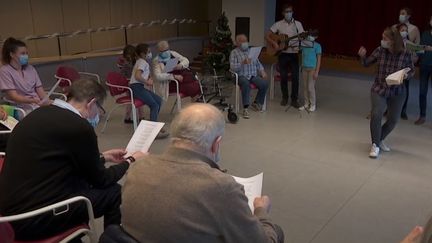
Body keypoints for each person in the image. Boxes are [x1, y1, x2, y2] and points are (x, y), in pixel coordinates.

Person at [0, 79, 145, 241]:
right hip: (35, 220)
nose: (98, 114)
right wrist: (131, 160)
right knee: (114, 193)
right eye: (99, 108)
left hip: (10, 214)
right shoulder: (79, 127)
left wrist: (102, 157)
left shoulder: (38, 114)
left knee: (82, 181)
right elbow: (102, 180)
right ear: (92, 103)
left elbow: (58, 159)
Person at [121, 103, 285, 243]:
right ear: (216, 144)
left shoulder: (137, 168)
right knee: (275, 231)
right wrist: (261, 211)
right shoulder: (221, 187)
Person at [358, 27, 414, 159]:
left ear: (393, 41)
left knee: (393, 120)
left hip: (398, 91)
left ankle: (379, 139)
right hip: (379, 88)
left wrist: (405, 76)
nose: (382, 41)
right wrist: (362, 56)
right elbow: (366, 63)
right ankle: (375, 145)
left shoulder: (406, 53)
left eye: (385, 39)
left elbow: (411, 71)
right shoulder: (379, 50)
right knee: (376, 113)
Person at [266, 3, 304, 108]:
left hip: (294, 54)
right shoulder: (278, 24)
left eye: (290, 11)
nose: (289, 13)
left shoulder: (298, 24)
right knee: (283, 76)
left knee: (295, 77)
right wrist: (273, 42)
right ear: (283, 13)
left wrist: (301, 38)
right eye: (287, 12)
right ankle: (285, 97)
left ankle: (294, 99)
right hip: (282, 54)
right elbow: (267, 35)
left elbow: (302, 37)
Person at [0, 37, 51, 114]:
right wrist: (33, 101)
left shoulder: (30, 68)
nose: (26, 56)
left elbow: (40, 90)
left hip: (36, 104)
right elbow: (14, 96)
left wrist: (47, 101)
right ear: (12, 54)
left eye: (27, 53)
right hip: (20, 107)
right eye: (23, 53)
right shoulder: (5, 71)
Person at [130, 43, 169, 139]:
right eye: (148, 52)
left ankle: (154, 124)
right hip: (137, 87)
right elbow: (137, 76)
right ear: (143, 54)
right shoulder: (143, 62)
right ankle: (153, 131)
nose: (150, 54)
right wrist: (147, 82)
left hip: (139, 87)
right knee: (154, 105)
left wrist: (148, 79)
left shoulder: (140, 61)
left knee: (158, 101)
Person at [229, 34, 268, 119]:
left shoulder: (251, 51)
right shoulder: (234, 52)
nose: (245, 43)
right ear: (237, 43)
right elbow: (232, 68)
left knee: (264, 83)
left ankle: (257, 102)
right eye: (242, 41)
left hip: (252, 75)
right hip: (241, 76)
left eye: (246, 41)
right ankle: (245, 108)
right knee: (245, 84)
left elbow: (258, 64)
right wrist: (242, 63)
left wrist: (262, 71)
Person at [396, 23, 418, 120]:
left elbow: (417, 55)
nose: (404, 32)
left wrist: (414, 57)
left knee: (405, 91)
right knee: (392, 89)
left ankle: (403, 111)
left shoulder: (410, 44)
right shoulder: (394, 42)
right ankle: (389, 109)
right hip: (395, 69)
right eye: (402, 30)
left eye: (405, 30)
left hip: (406, 70)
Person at [117, 44, 143, 123]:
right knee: (139, 100)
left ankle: (127, 117)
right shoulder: (133, 65)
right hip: (132, 86)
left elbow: (121, 76)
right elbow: (121, 76)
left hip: (130, 86)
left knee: (131, 101)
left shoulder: (128, 65)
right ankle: (141, 117)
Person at [415, 16, 432, 125]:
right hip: (424, 65)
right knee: (422, 92)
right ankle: (422, 115)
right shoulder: (425, 33)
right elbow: (419, 48)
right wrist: (419, 50)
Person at [299, 30, 322, 112]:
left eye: (312, 35)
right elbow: (300, 52)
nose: (310, 36)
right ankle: (306, 103)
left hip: (312, 69)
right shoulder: (304, 44)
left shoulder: (317, 46)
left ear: (316, 37)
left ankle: (313, 104)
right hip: (304, 68)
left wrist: (317, 72)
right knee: (305, 87)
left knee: (310, 87)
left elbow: (319, 60)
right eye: (309, 35)